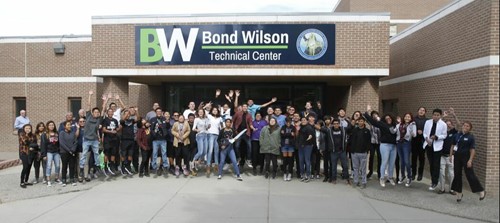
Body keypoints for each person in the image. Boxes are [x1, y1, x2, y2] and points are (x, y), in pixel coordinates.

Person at [449, 121, 486, 202]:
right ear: (462, 126)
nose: (465, 127)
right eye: (464, 125)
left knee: (470, 175)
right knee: (457, 174)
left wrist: (470, 160)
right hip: (457, 157)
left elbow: (472, 150)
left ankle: (481, 191)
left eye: (467, 126)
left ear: (470, 128)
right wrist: (451, 155)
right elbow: (452, 145)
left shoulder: (471, 137)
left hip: (466, 157)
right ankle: (459, 193)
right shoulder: (457, 135)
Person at [363, 105, 397, 188]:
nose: (388, 119)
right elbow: (372, 121)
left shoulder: (396, 126)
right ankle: (382, 178)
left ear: (392, 118)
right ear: (384, 119)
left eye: (390, 118)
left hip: (394, 146)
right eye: (387, 118)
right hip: (385, 145)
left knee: (392, 163)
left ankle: (390, 177)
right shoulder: (382, 125)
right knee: (384, 162)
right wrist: (367, 112)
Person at [79, 91, 104, 182]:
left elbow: (104, 109)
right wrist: (89, 95)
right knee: (84, 155)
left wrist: (105, 101)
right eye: (95, 112)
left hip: (94, 140)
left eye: (98, 112)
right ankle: (81, 169)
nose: (97, 113)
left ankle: (97, 166)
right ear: (93, 113)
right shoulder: (88, 116)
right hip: (86, 139)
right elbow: (89, 105)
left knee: (97, 153)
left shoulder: (98, 120)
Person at [423, 109, 447, 191]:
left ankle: (435, 182)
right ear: (432, 115)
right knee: (431, 163)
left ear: (440, 116)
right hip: (429, 145)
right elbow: (425, 132)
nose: (436, 116)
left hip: (437, 147)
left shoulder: (443, 124)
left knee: (436, 164)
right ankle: (432, 180)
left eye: (437, 115)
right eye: (434, 115)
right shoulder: (428, 122)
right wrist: (426, 139)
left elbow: (444, 135)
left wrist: (437, 137)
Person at [439, 108, 460, 195]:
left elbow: (458, 124)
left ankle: (452, 189)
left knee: (451, 174)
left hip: (451, 156)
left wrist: (454, 115)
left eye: (449, 124)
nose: (448, 126)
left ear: (451, 125)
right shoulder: (442, 132)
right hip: (441, 156)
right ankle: (442, 188)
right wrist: (443, 117)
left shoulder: (453, 132)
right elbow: (438, 124)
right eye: (446, 124)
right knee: (442, 173)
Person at [349, 117, 371, 189]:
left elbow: (368, 142)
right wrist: (351, 150)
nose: (360, 122)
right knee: (355, 168)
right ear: (357, 122)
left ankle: (364, 182)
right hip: (354, 152)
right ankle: (356, 181)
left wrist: (367, 150)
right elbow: (351, 140)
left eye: (362, 121)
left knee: (363, 169)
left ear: (364, 122)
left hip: (363, 152)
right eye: (359, 121)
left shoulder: (367, 131)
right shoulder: (354, 130)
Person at [396, 113, 416, 187]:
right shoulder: (400, 124)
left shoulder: (412, 125)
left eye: (408, 117)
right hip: (399, 143)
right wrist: (398, 124)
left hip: (406, 143)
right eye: (406, 116)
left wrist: (410, 129)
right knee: (402, 161)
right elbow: (394, 131)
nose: (407, 118)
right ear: (403, 117)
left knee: (407, 161)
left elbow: (414, 135)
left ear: (411, 118)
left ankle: (409, 177)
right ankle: (403, 175)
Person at [327, 119, 350, 185]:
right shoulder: (329, 131)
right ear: (332, 124)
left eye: (337, 123)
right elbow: (322, 128)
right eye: (334, 123)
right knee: (333, 166)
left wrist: (346, 120)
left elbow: (351, 126)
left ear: (339, 124)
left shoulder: (343, 129)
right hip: (333, 152)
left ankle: (347, 179)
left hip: (342, 151)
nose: (336, 125)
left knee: (345, 166)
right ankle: (334, 179)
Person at [232, 102, 253, 168]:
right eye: (243, 106)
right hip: (238, 133)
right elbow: (233, 121)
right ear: (242, 107)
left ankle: (248, 159)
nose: (245, 107)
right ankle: (238, 158)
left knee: (249, 146)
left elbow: (250, 123)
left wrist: (253, 128)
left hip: (246, 133)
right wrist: (233, 130)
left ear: (247, 108)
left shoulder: (249, 115)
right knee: (237, 146)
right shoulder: (237, 113)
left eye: (246, 107)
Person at [150, 107, 170, 176]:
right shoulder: (152, 119)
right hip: (155, 140)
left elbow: (167, 127)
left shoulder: (164, 119)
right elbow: (151, 129)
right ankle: (154, 167)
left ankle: (165, 166)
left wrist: (167, 123)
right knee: (155, 153)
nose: (158, 112)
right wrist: (154, 135)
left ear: (161, 112)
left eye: (160, 111)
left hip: (163, 139)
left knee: (164, 153)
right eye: (157, 111)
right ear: (155, 112)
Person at [102, 108, 122, 175]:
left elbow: (116, 129)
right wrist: (111, 131)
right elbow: (104, 129)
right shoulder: (105, 120)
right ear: (107, 113)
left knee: (114, 153)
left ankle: (112, 165)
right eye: (109, 112)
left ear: (113, 113)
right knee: (106, 153)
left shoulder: (115, 120)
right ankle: (105, 166)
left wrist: (119, 128)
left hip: (114, 139)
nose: (110, 113)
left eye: (111, 112)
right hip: (107, 139)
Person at [59, 121, 80, 186]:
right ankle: (64, 179)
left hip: (72, 152)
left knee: (72, 166)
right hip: (64, 152)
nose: (69, 126)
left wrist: (73, 150)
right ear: (65, 126)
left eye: (70, 125)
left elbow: (75, 142)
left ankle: (72, 179)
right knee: (64, 166)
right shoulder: (62, 133)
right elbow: (62, 143)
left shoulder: (73, 133)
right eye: (68, 125)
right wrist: (69, 150)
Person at [42, 121, 61, 187]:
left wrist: (59, 151)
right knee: (49, 165)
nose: (51, 126)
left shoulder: (56, 133)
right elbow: (43, 145)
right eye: (50, 125)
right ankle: (48, 179)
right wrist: (44, 155)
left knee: (58, 165)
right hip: (49, 152)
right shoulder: (45, 134)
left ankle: (57, 178)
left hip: (56, 152)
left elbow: (59, 143)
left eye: (52, 125)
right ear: (47, 126)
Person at [191, 109, 210, 175]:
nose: (201, 113)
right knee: (200, 151)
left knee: (205, 152)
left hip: (206, 135)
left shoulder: (205, 119)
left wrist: (208, 126)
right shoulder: (196, 119)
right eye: (199, 112)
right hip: (200, 136)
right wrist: (197, 130)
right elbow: (193, 128)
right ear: (198, 113)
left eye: (202, 112)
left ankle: (198, 162)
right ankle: (193, 161)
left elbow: (207, 127)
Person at [412, 107, 428, 181]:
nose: (421, 111)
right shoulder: (413, 119)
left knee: (422, 158)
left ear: (425, 112)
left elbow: (429, 129)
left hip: (422, 141)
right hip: (414, 141)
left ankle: (420, 174)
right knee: (414, 158)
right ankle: (413, 173)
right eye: (420, 110)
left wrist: (422, 131)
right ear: (417, 111)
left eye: (423, 110)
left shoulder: (427, 121)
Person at [297, 116, 315, 182]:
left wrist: (304, 143)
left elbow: (310, 137)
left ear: (307, 121)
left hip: (307, 146)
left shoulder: (309, 128)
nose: (303, 121)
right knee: (301, 161)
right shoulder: (300, 128)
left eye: (304, 120)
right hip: (300, 146)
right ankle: (302, 174)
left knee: (307, 161)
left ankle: (308, 175)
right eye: (302, 120)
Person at [120, 108, 137, 176]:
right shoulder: (123, 121)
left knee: (130, 154)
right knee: (123, 154)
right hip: (124, 140)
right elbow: (122, 120)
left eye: (128, 114)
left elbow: (137, 119)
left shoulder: (132, 120)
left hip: (131, 140)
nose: (128, 115)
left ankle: (128, 166)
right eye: (126, 114)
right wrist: (126, 113)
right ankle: (123, 166)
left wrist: (136, 111)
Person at [206, 107, 222, 177]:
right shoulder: (209, 116)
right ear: (212, 111)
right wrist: (206, 106)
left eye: (216, 110)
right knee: (210, 151)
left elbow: (222, 127)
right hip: (211, 134)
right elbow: (201, 111)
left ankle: (216, 165)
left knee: (216, 151)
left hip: (217, 135)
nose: (215, 111)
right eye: (213, 110)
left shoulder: (220, 118)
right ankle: (208, 166)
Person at [367, 111, 382, 180]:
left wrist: (379, 121)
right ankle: (370, 171)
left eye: (375, 115)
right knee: (371, 156)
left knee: (379, 157)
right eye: (373, 115)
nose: (374, 116)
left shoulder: (380, 122)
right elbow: (366, 117)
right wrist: (367, 111)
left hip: (379, 142)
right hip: (372, 142)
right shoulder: (371, 122)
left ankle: (379, 172)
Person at [281, 117, 295, 181]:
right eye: (287, 122)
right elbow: (282, 135)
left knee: (290, 160)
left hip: (291, 145)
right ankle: (284, 173)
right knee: (284, 160)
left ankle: (290, 173)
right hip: (284, 145)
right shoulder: (283, 127)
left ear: (291, 121)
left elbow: (293, 135)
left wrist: (285, 134)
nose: (288, 123)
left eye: (289, 121)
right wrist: (289, 134)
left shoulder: (293, 127)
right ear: (285, 122)